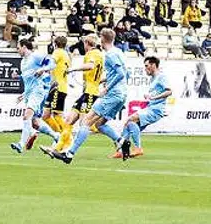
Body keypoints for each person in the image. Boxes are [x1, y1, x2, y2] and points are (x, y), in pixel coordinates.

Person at [46, 27, 128, 164]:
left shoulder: (104, 54)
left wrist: (106, 88)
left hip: (104, 93)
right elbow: (120, 73)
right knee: (96, 124)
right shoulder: (117, 52)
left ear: (102, 39)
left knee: (86, 122)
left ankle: (69, 153)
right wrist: (103, 80)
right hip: (113, 93)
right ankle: (122, 142)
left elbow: (120, 74)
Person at [114, 54, 173, 161]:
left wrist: (154, 97)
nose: (145, 68)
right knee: (130, 124)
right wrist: (150, 98)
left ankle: (137, 148)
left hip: (155, 110)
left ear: (153, 65)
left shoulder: (161, 76)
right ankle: (121, 151)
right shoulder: (153, 79)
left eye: (146, 66)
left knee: (130, 119)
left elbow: (169, 91)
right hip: (152, 108)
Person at [55, 33, 104, 152]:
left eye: (84, 43)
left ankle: (118, 139)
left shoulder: (93, 53)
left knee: (85, 124)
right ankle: (57, 149)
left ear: (87, 43)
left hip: (90, 93)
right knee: (69, 120)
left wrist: (73, 68)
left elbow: (91, 66)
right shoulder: (96, 54)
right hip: (86, 92)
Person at [10, 39, 57, 155]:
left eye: (18, 48)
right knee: (35, 122)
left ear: (24, 47)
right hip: (29, 93)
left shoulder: (36, 56)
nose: (17, 50)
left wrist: (43, 69)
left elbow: (52, 63)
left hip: (38, 91)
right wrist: (19, 78)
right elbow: (28, 77)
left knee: (27, 116)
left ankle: (21, 144)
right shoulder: (23, 62)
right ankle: (57, 136)